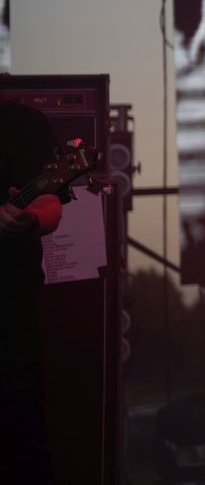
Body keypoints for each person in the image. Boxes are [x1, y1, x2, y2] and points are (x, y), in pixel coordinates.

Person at [1, 98, 68, 482]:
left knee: (23, 451)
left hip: (9, 323)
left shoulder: (21, 123)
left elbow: (48, 201)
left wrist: (32, 218)